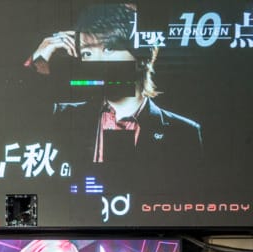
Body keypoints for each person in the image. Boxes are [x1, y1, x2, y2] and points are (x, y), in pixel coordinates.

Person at [24, 3, 202, 165]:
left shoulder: (183, 133)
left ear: (142, 57)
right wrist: (40, 58)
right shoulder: (61, 116)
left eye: (108, 49)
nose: (96, 63)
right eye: (87, 54)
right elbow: (11, 116)